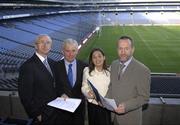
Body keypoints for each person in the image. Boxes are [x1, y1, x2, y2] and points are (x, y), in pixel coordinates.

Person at [106, 36, 151, 125]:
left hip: (130, 120)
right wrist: (106, 99)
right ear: (117, 49)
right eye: (120, 48)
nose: (123, 52)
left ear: (132, 49)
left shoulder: (143, 70)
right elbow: (112, 86)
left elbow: (144, 97)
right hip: (113, 117)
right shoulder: (114, 64)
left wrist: (126, 106)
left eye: (126, 49)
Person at [18, 34, 58, 124]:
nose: (45, 45)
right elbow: (25, 95)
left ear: (51, 46)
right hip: (43, 115)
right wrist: (37, 114)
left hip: (56, 112)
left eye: (48, 43)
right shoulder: (27, 66)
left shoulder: (53, 63)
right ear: (35, 45)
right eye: (42, 42)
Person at [55, 38, 87, 125]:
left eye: (73, 50)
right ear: (62, 51)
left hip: (79, 111)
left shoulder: (84, 66)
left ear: (77, 51)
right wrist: (61, 93)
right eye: (67, 51)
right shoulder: (55, 66)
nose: (71, 54)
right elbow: (53, 86)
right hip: (62, 111)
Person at [81, 48, 111, 125]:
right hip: (93, 107)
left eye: (99, 56)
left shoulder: (109, 71)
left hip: (106, 107)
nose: (97, 59)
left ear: (104, 57)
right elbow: (84, 86)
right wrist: (87, 93)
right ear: (91, 59)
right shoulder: (87, 70)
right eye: (94, 57)